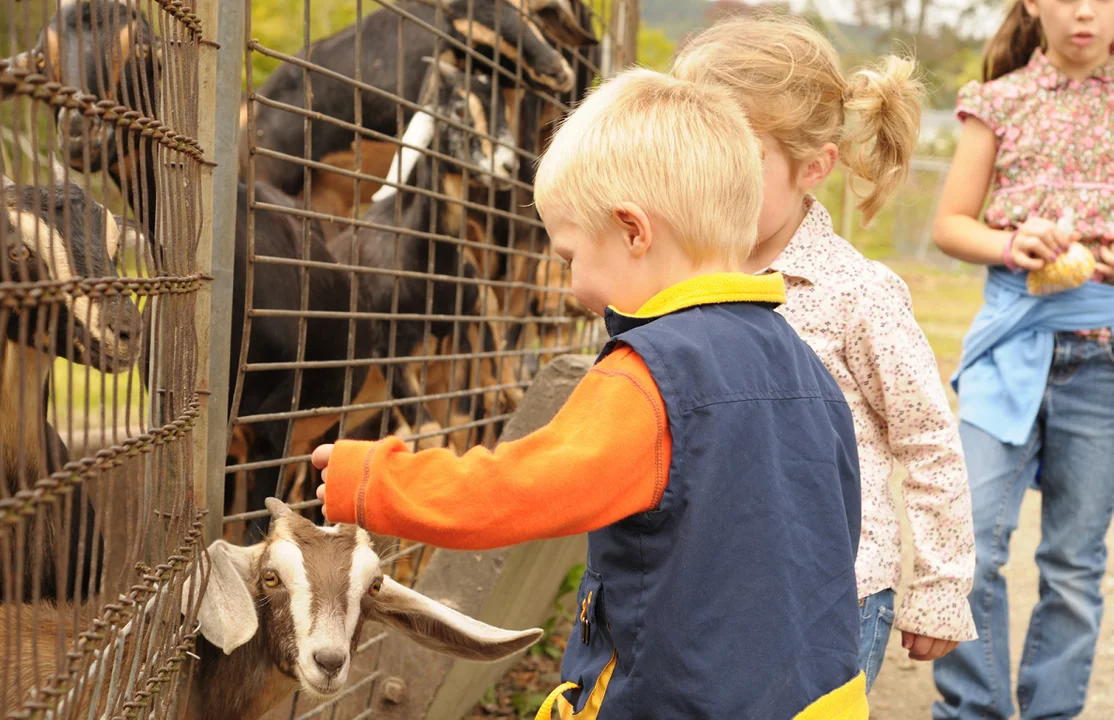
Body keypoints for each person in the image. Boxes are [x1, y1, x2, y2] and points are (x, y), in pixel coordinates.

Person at [312, 67, 869, 718]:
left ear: (634, 231)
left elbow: (519, 490)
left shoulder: (652, 377)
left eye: (570, 252)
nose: (571, 285)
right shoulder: (808, 369)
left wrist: (373, 482)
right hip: (816, 695)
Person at [670, 11, 977, 695]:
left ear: (813, 167)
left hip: (832, 596)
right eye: (691, 148)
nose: (706, 178)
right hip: (708, 589)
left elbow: (927, 440)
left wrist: (940, 586)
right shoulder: (672, 281)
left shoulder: (855, 294)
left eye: (738, 157)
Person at [927, 0, 1114, 717]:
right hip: (1010, 348)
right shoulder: (997, 101)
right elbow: (950, 223)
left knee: (1074, 566)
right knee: (971, 543)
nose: (1086, 11)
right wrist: (1010, 246)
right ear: (1034, 4)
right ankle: (970, 708)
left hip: (1101, 361)